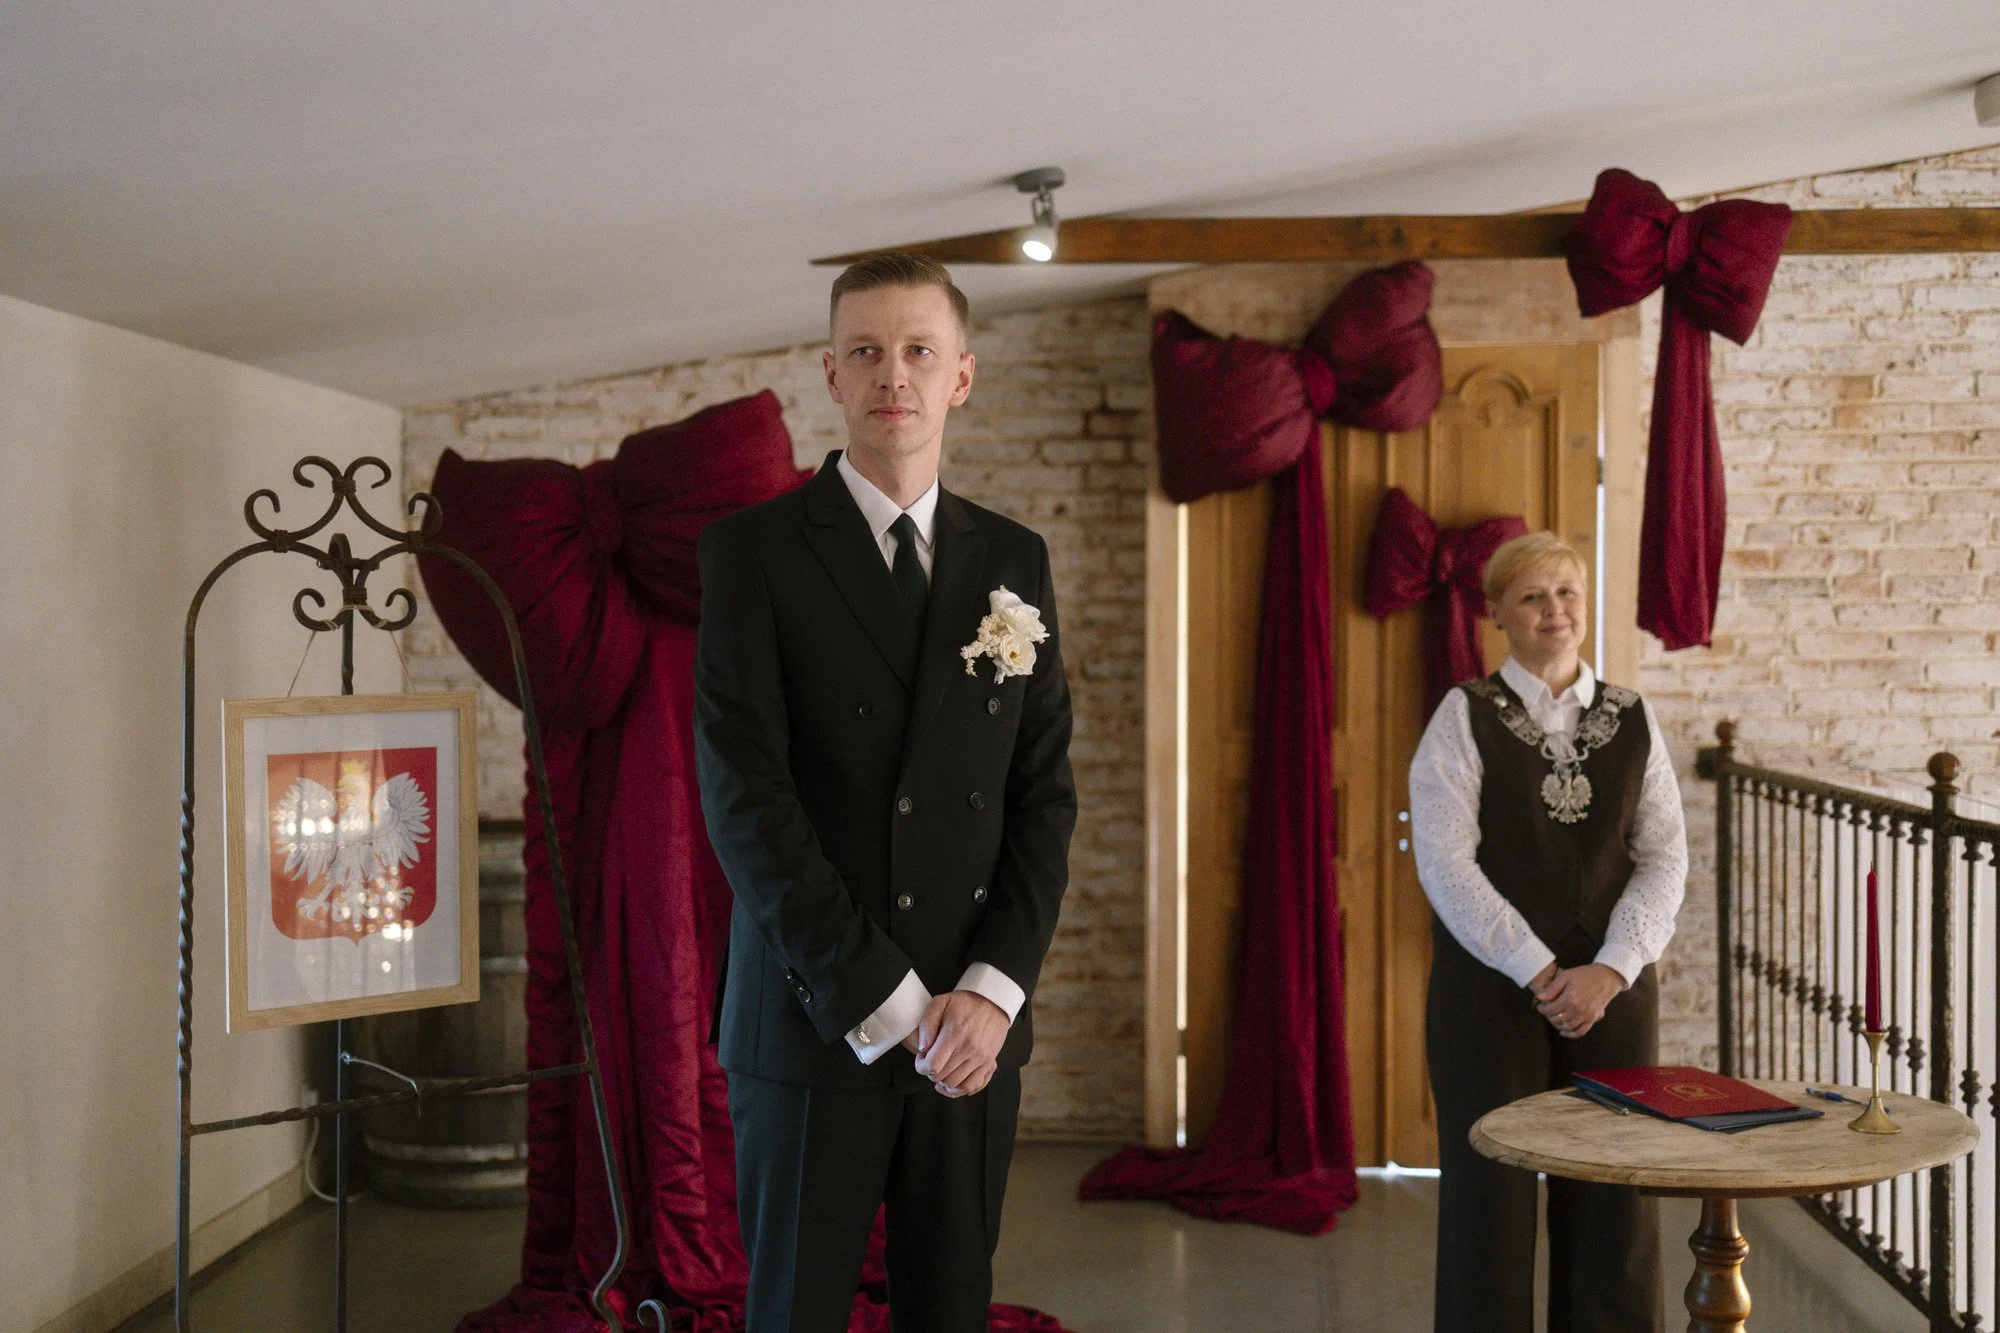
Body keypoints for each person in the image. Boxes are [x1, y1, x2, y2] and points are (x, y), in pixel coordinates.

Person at [693, 252, 1077, 1332]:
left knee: (949, 1307)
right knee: (795, 1313)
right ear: (830, 373)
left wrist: (991, 993)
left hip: (970, 1030)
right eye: (865, 350)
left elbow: (1041, 798)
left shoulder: (1015, 560)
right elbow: (747, 803)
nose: (891, 374)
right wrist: (891, 1001)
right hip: (813, 1019)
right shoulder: (750, 554)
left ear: (962, 375)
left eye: (917, 350)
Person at [1408, 531, 1687, 1333]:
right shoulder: (1463, 715)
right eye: (1531, 595)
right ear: (1497, 612)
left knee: (1614, 1195)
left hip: (1614, 993)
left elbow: (1665, 855)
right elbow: (1445, 863)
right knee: (1487, 1199)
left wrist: (1612, 967)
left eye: (1566, 592)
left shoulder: (1633, 716)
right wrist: (1538, 969)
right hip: (1489, 992)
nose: (1553, 609)